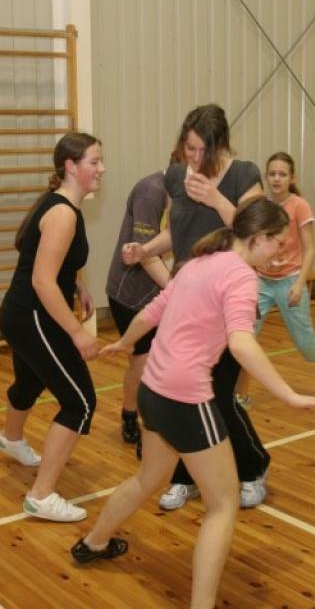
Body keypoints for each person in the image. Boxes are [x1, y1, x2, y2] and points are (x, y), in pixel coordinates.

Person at [71, 197, 315, 609]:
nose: (283, 250)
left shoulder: (198, 263)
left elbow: (150, 314)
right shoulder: (242, 278)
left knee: (148, 478)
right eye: (278, 243)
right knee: (223, 503)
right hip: (185, 399)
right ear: (258, 238)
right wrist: (289, 395)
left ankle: (94, 541)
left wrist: (124, 343)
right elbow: (242, 343)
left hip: (153, 390)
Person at [122, 104, 270, 510]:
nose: (193, 157)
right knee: (184, 397)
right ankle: (185, 477)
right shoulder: (176, 175)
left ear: (219, 145)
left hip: (227, 302)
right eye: (188, 148)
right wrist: (146, 249)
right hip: (186, 302)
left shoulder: (245, 174)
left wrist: (219, 198)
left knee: (219, 395)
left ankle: (254, 466)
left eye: (201, 149)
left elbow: (254, 230)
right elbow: (178, 230)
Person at [0, 132, 105, 522]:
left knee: (30, 382)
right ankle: (41, 495)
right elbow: (42, 280)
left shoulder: (62, 204)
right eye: (94, 161)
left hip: (21, 311)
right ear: (70, 167)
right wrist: (77, 333)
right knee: (81, 402)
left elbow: (45, 264)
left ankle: (11, 438)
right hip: (32, 314)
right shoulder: (62, 213)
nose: (101, 168)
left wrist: (75, 284)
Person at [237, 152, 315, 406]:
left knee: (305, 341)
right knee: (246, 337)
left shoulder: (299, 205)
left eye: (282, 174)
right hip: (262, 282)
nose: (276, 179)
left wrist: (300, 284)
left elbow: (310, 248)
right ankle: (241, 395)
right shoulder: (260, 205)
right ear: (266, 177)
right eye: (272, 174)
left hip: (290, 280)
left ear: (292, 177)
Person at [105, 156, 178, 447]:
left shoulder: (189, 191)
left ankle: (158, 421)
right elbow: (145, 255)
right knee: (143, 362)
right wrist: (179, 292)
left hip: (162, 293)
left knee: (166, 361)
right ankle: (129, 414)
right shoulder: (151, 192)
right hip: (131, 294)